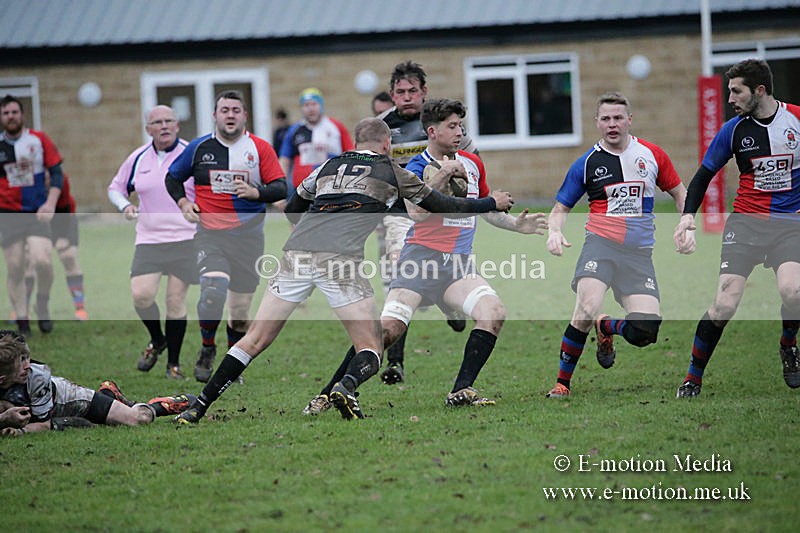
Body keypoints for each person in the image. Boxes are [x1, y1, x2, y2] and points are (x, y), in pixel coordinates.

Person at [174, 117, 514, 424]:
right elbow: (440, 204)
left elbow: (293, 207)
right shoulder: (392, 169)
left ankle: (199, 406)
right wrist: (490, 202)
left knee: (255, 339)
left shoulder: (327, 165)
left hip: (296, 255)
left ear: (355, 142)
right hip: (339, 261)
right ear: (386, 144)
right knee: (371, 347)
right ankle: (346, 389)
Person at [303, 99, 546, 415]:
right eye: (452, 126)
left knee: (493, 312)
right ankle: (334, 391)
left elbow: (487, 208)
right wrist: (442, 174)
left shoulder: (473, 163)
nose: (459, 132)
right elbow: (417, 213)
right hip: (420, 261)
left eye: (460, 126)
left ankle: (461, 389)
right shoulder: (415, 167)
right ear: (432, 131)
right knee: (387, 331)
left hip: (457, 266)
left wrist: (517, 225)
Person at [544, 91, 686, 399]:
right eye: (606, 118)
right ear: (596, 122)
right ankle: (562, 384)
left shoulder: (652, 155)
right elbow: (560, 210)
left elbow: (679, 192)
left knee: (646, 332)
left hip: (638, 255)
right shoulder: (586, 164)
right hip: (601, 246)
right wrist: (554, 232)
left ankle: (606, 327)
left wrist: (687, 223)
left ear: (629, 120)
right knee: (585, 306)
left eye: (618, 118)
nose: (612, 124)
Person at [673, 59, 800, 398]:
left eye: (736, 91)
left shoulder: (796, 120)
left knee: (794, 292)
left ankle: (788, 345)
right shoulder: (734, 130)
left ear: (759, 90)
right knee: (724, 304)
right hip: (745, 225)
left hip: (790, 226)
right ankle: (692, 378)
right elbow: (702, 176)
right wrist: (688, 217)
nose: (730, 98)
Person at [166, 90, 286, 383]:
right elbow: (172, 178)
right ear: (215, 115)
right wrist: (183, 203)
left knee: (240, 313)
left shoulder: (259, 148)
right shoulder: (199, 148)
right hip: (211, 235)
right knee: (212, 291)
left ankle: (232, 364)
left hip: (248, 238)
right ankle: (207, 348)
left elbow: (282, 188)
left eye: (235, 110)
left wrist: (256, 193)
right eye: (224, 110)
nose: (230, 115)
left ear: (244, 116)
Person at [376, 61, 479, 384]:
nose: (406, 97)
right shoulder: (381, 127)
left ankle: (448, 302)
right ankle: (395, 363)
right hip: (399, 214)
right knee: (399, 276)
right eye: (400, 92)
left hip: (443, 212)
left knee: (440, 273)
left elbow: (473, 160)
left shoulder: (441, 125)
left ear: (424, 92)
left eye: (413, 91)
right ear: (392, 94)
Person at [108, 105, 196, 379]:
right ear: (148, 129)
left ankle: (174, 365)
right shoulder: (138, 158)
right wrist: (125, 206)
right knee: (141, 295)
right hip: (149, 239)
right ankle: (158, 339)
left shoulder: (190, 154)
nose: (164, 126)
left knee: (175, 301)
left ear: (178, 125)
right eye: (157, 122)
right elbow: (115, 188)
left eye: (169, 120)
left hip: (186, 238)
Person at [0, 330, 195, 436]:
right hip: (52, 412)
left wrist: (20, 430)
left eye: (26, 359)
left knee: (138, 419)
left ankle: (159, 405)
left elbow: (41, 424)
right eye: (20, 363)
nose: (29, 365)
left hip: (75, 401)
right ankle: (110, 395)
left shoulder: (37, 376)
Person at [0, 95, 63, 336]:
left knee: (43, 261)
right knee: (15, 266)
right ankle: (22, 321)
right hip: (8, 214)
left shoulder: (38, 140)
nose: (11, 116)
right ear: (1, 117)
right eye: (6, 113)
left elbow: (56, 173)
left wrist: (50, 203)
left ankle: (43, 302)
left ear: (22, 114)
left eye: (15, 112)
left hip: (37, 212)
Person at [278, 88, 354, 198]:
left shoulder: (336, 127)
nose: (311, 109)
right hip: (300, 191)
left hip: (331, 188)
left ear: (321, 105)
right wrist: (281, 188)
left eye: (314, 104)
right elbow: (284, 160)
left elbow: (351, 154)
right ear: (302, 108)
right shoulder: (294, 131)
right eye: (306, 105)